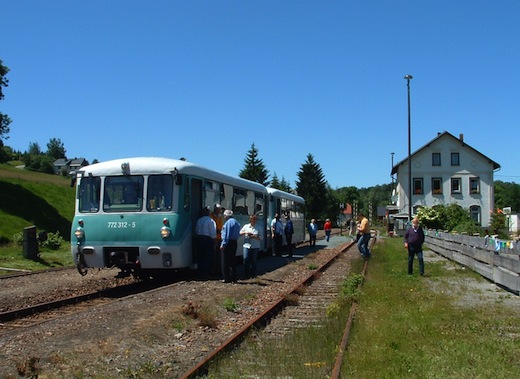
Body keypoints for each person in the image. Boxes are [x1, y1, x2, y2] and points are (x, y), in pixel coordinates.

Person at [194, 206, 216, 278]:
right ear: (209, 213)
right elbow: (213, 232)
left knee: (200, 256)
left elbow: (196, 231)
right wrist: (214, 241)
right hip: (207, 239)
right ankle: (206, 273)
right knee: (207, 257)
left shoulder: (199, 220)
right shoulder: (211, 221)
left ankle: (200, 272)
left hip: (199, 238)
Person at [220, 209, 241, 283]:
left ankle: (226, 278)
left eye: (224, 215)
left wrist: (223, 244)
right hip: (234, 242)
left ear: (226, 215)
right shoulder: (236, 222)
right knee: (232, 260)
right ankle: (234, 277)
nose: (224, 216)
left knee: (225, 261)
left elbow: (227, 235)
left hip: (228, 243)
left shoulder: (228, 223)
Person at [210, 204, 224, 275]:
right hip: (213, 238)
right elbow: (212, 227)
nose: (219, 211)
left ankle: (219, 270)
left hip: (219, 238)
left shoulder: (220, 217)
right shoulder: (211, 216)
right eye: (218, 210)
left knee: (219, 255)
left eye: (220, 210)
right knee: (214, 255)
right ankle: (214, 270)